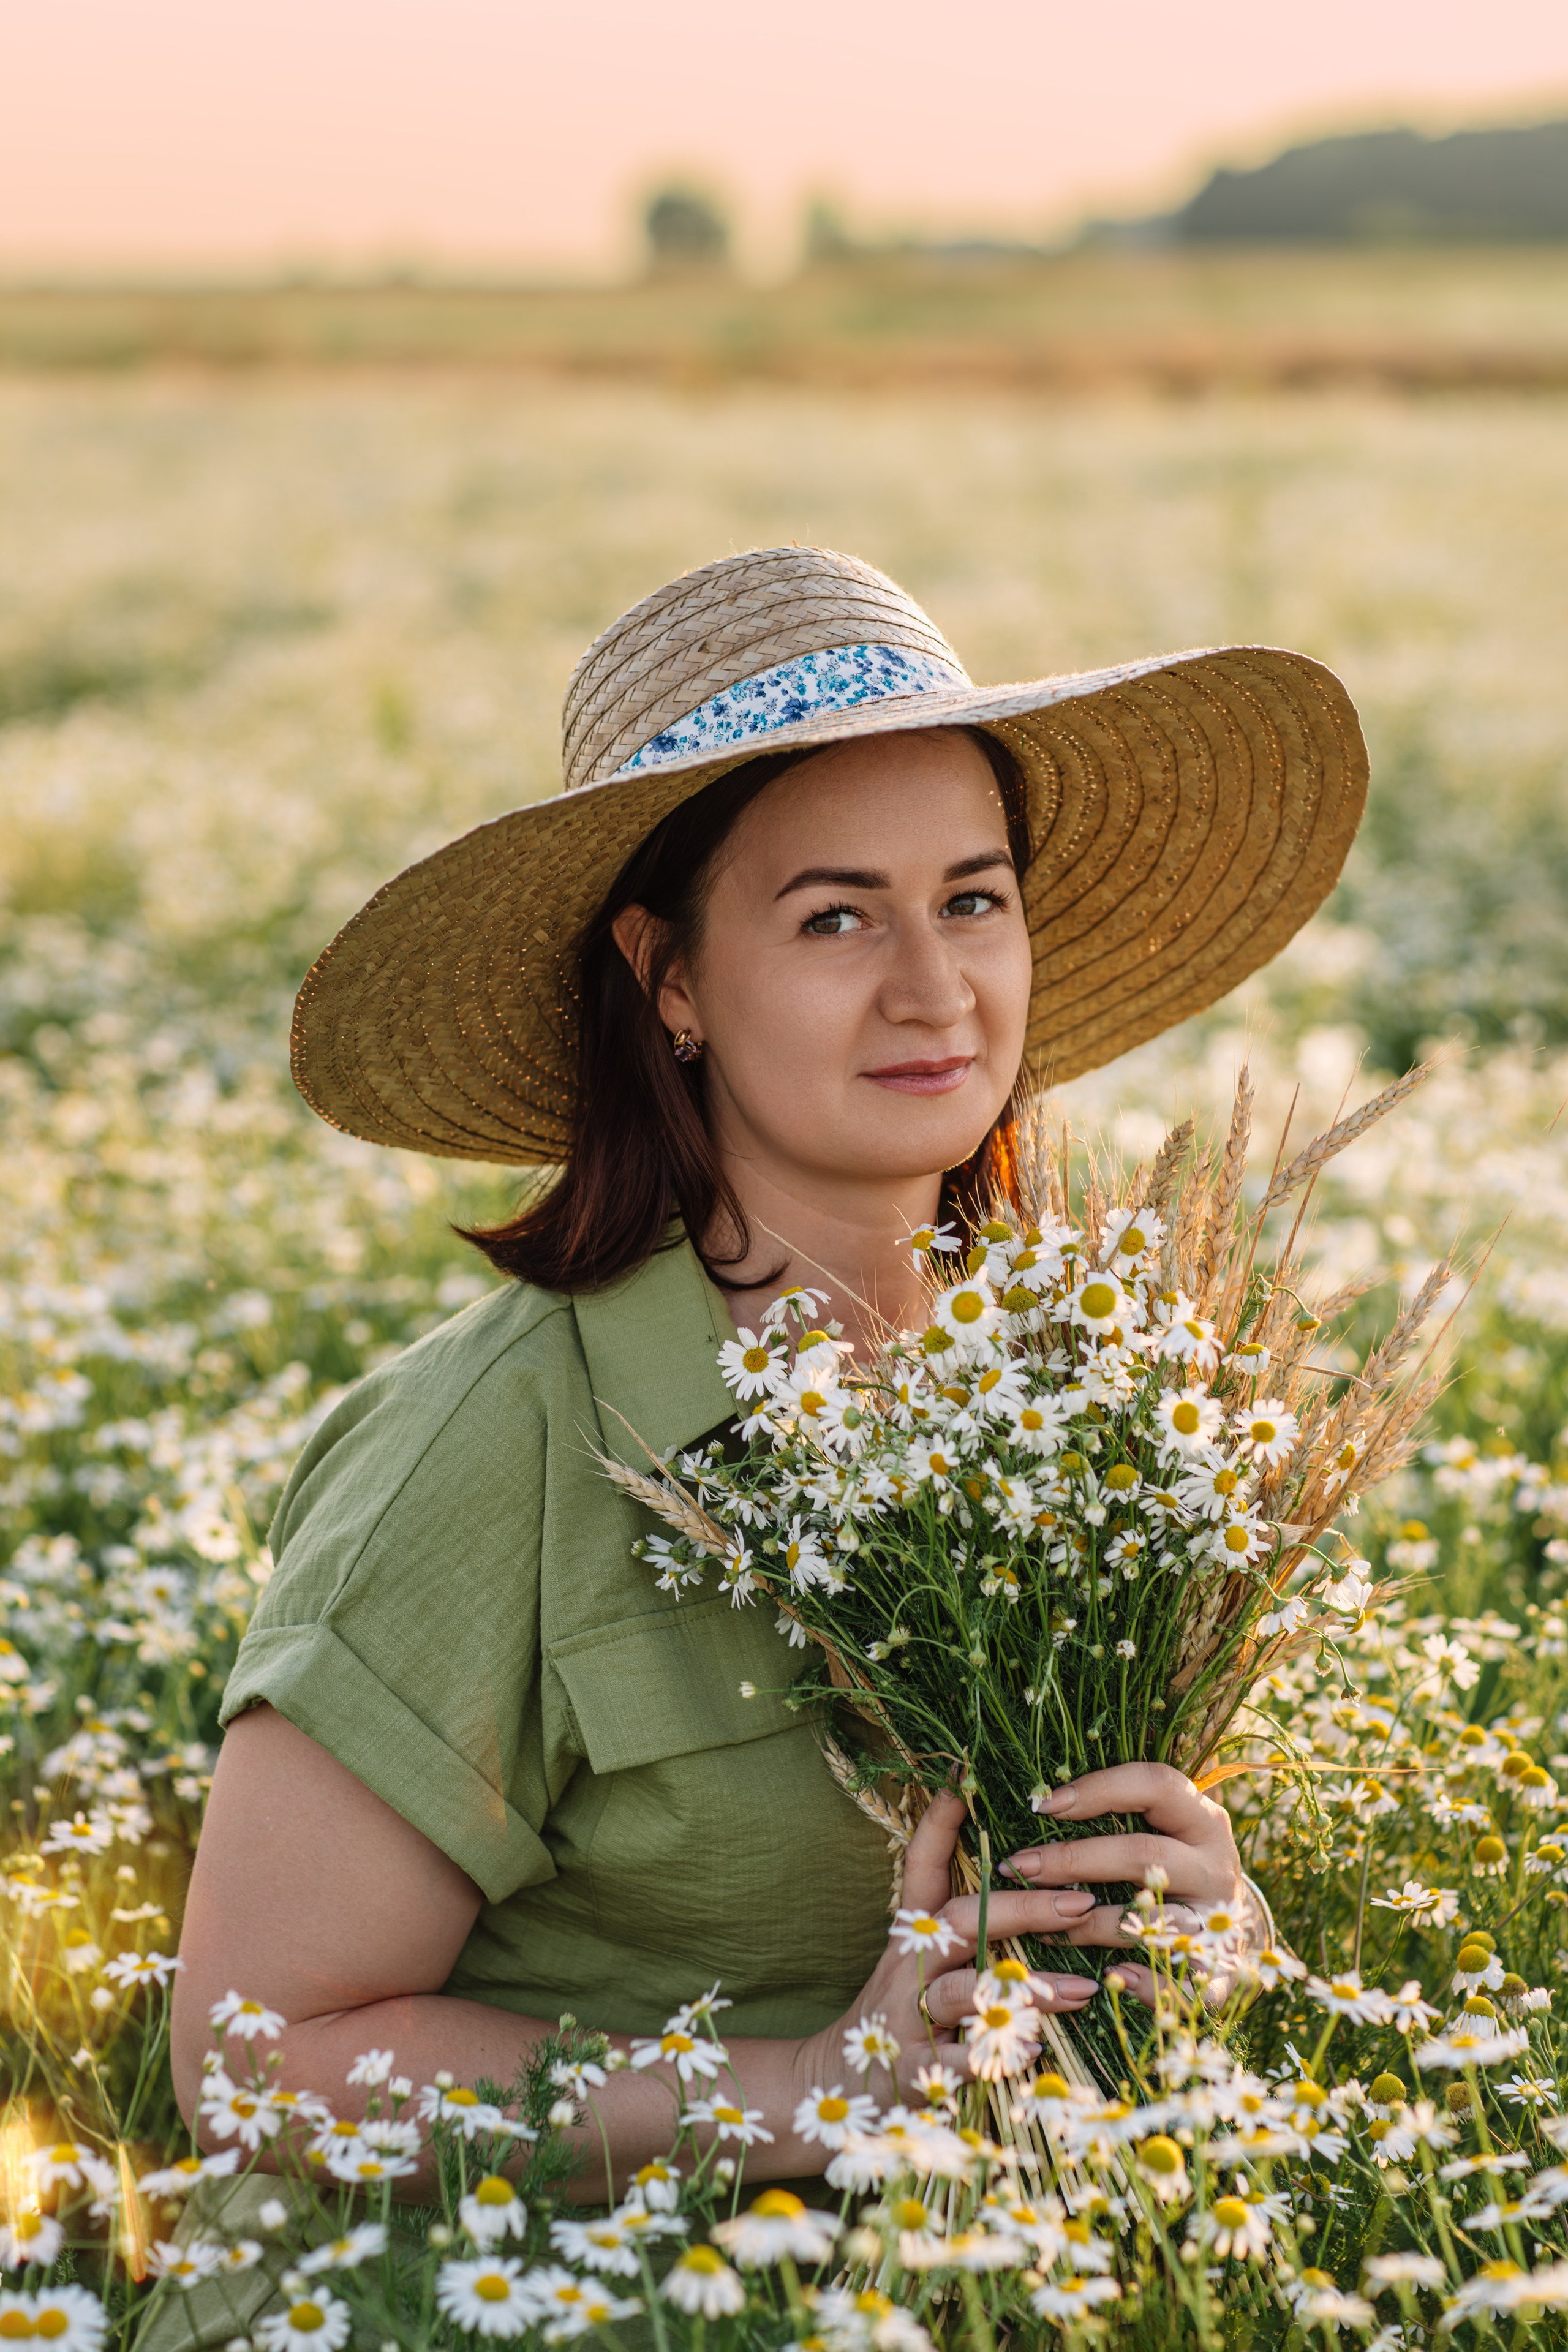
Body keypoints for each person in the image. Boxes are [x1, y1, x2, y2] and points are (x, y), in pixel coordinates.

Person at [173, 544, 1366, 2199]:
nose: (934, 987)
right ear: (669, 978)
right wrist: (806, 2092)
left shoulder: (1087, 1384)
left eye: (972, 897)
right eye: (834, 917)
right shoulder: (489, 1444)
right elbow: (252, 2065)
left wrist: (1217, 1936)